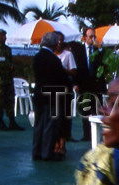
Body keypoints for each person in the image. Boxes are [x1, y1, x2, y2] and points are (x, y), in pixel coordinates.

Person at [32, 32, 71, 161]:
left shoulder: (37, 57)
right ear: (54, 44)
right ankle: (47, 153)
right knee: (49, 125)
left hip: (38, 94)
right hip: (51, 95)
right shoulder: (54, 59)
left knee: (38, 125)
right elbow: (62, 77)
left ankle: (36, 151)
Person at [70, 27, 106, 141]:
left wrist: (100, 49)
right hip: (83, 83)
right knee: (85, 109)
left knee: (96, 110)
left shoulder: (97, 51)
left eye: (94, 36)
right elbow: (75, 68)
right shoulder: (78, 50)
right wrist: (75, 83)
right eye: (90, 36)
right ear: (85, 37)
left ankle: (96, 135)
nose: (92, 39)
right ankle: (86, 135)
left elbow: (104, 64)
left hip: (96, 84)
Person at [54, 31, 77, 155]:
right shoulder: (50, 55)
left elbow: (74, 72)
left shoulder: (68, 55)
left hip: (65, 90)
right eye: (57, 39)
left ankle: (62, 145)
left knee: (63, 118)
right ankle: (55, 143)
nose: (59, 42)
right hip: (52, 91)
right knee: (54, 118)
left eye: (61, 40)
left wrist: (63, 70)